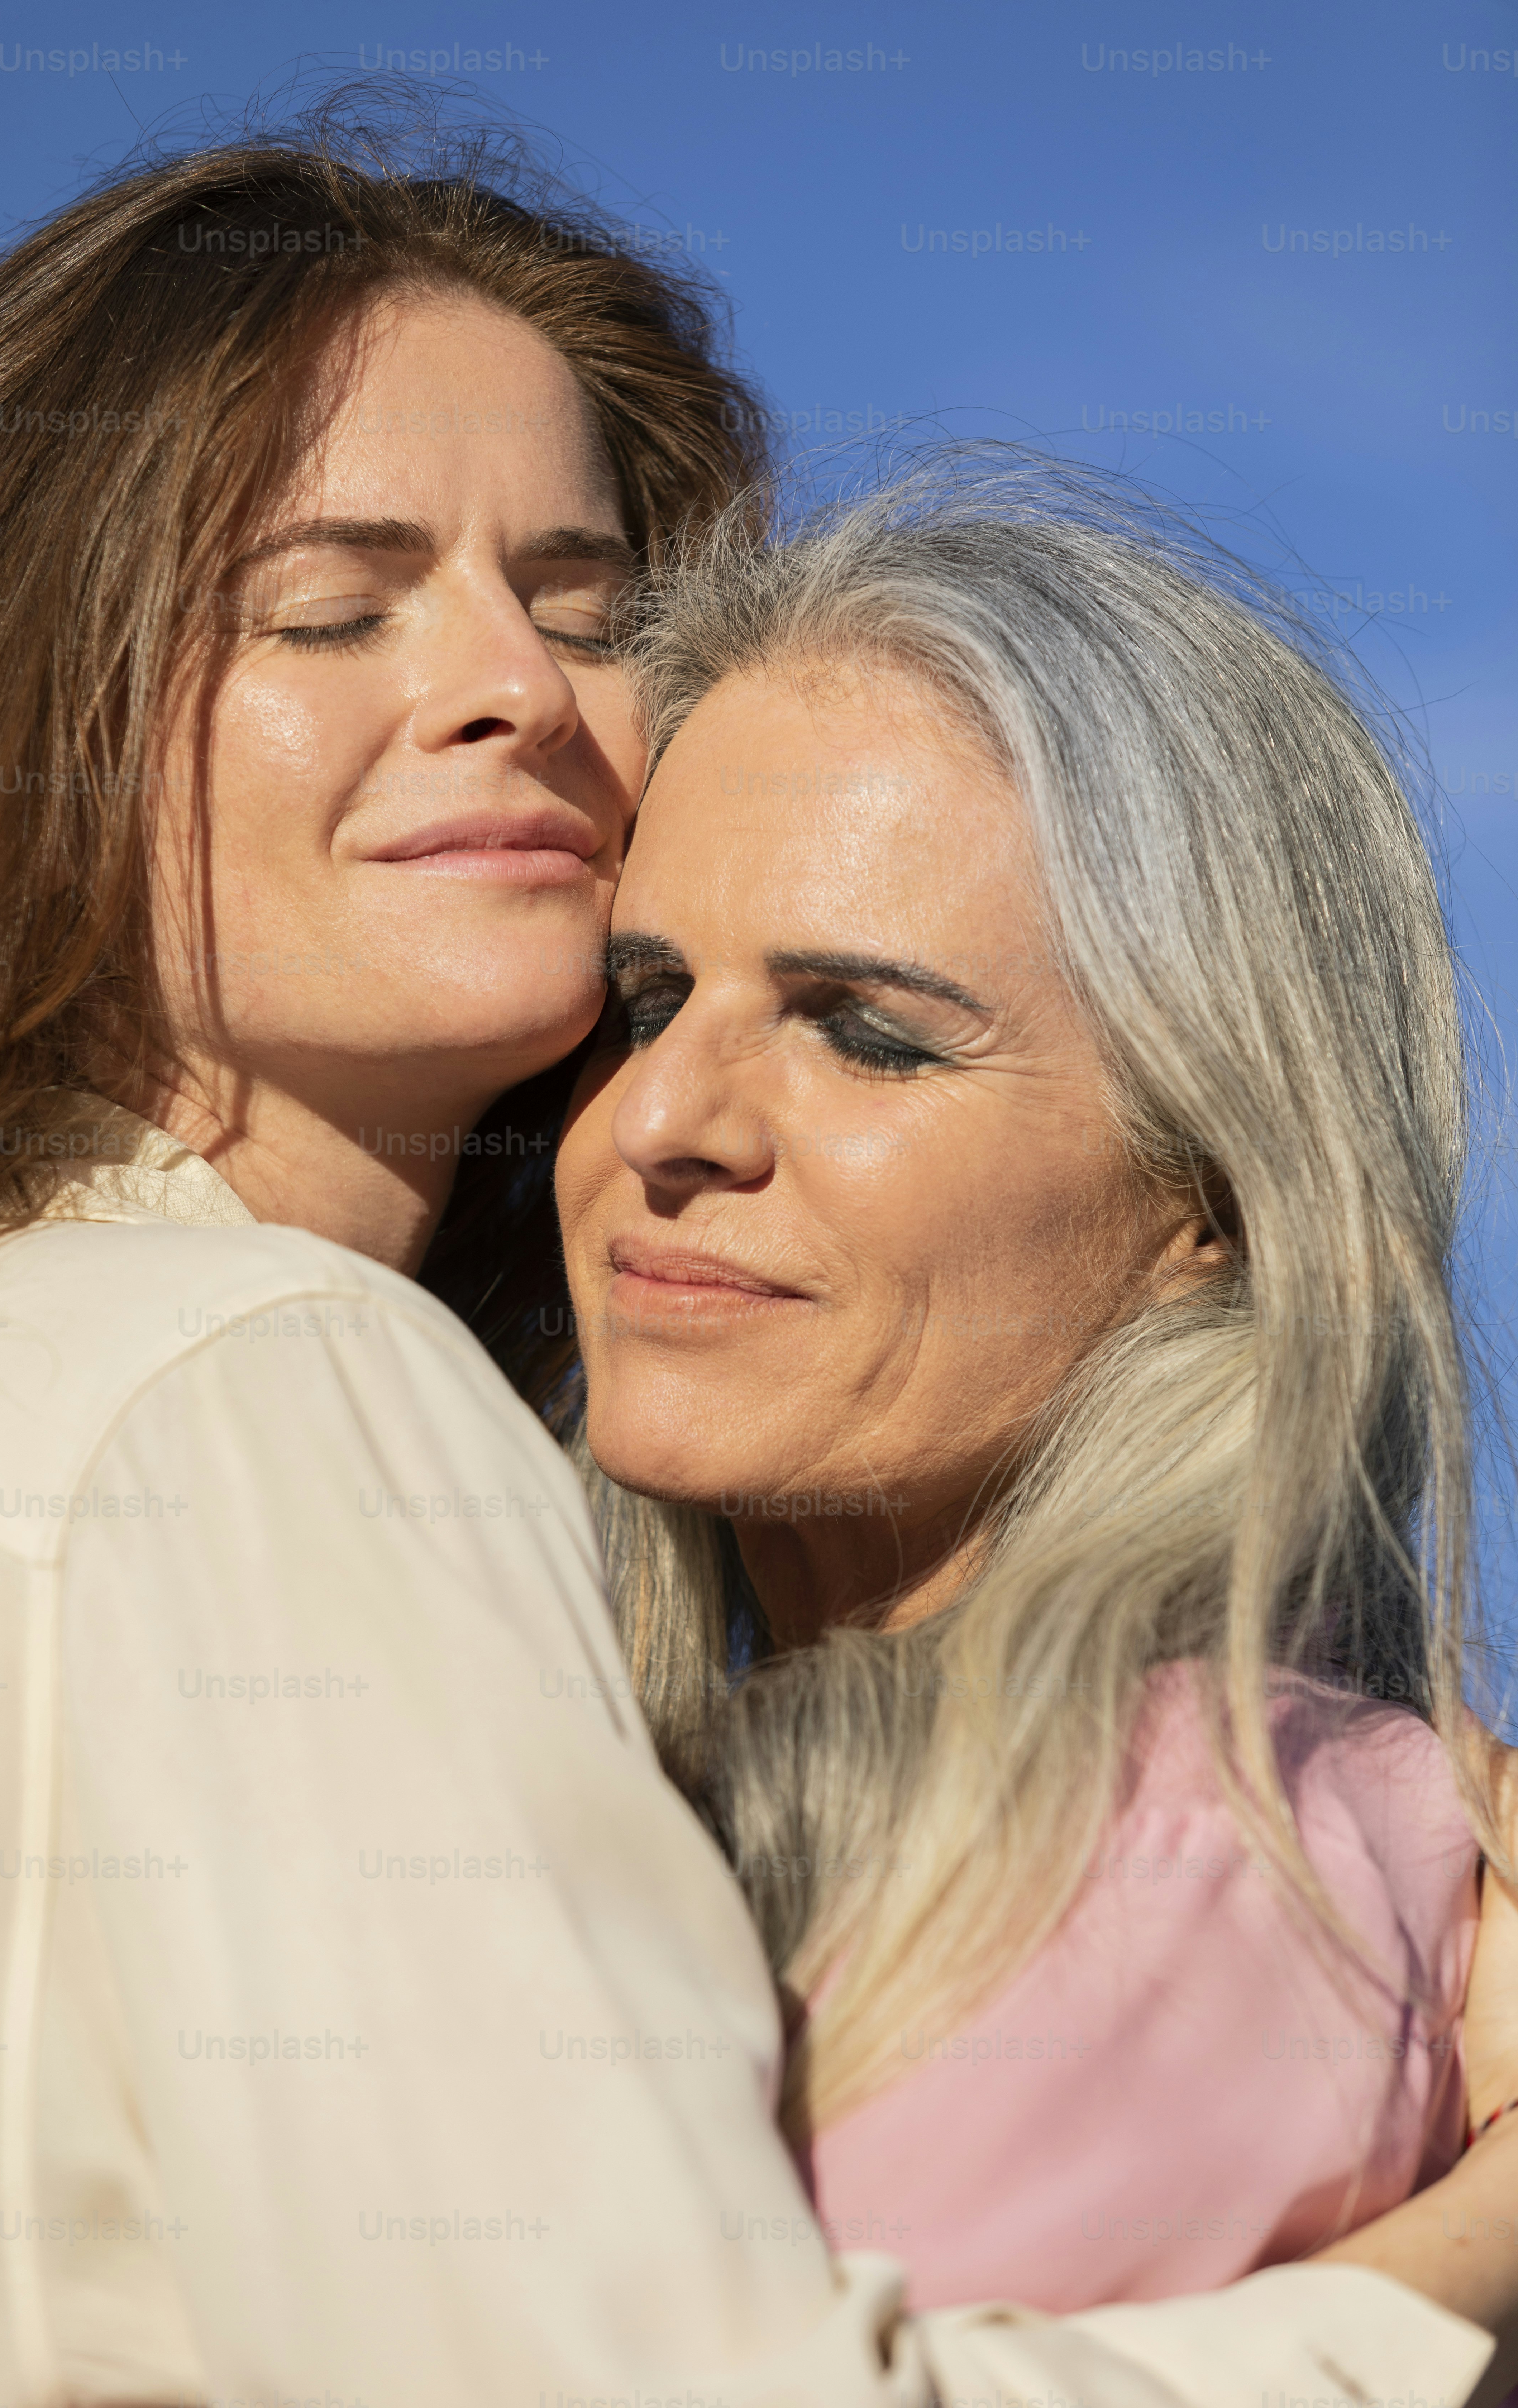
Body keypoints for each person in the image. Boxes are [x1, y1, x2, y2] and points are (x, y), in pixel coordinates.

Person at [0, 109, 1512, 2408]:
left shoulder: (1218, 1850)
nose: (523, 692)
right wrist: (1469, 2252)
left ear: (1212, 1197)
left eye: (580, 604)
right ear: (31, 704)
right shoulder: (252, 1380)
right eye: (330, 605)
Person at [553, 469, 1518, 2307]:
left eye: (868, 1035)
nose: (662, 1124)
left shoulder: (1185, 1851)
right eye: (648, 994)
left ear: (1213, 1205)